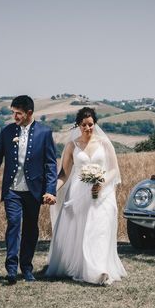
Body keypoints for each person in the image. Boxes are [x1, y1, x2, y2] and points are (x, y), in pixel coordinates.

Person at [46, 107, 127, 285]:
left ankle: (99, 270)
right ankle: (79, 267)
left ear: (95, 124)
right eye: (84, 125)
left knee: (98, 231)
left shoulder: (104, 143)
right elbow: (64, 174)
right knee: (80, 232)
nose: (88, 128)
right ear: (78, 125)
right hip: (77, 193)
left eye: (90, 124)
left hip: (102, 194)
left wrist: (102, 183)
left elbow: (114, 169)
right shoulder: (72, 145)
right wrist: (52, 190)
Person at [0, 95, 57, 284]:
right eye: (13, 112)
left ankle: (27, 267)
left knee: (31, 228)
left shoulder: (44, 133)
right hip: (12, 190)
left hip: (34, 191)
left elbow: (50, 165)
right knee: (14, 224)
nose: (14, 116)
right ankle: (12, 270)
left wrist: (50, 190)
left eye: (18, 113)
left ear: (29, 113)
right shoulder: (7, 132)